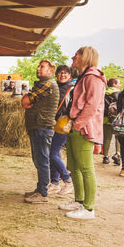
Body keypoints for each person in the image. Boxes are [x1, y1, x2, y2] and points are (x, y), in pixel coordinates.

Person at [59, 46, 106, 220]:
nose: (73, 57)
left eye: (76, 55)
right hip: (75, 126)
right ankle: (79, 200)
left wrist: (78, 125)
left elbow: (92, 105)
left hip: (84, 128)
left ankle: (88, 208)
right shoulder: (82, 77)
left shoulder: (94, 77)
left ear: (85, 57)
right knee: (74, 167)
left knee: (86, 168)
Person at [22, 60, 59, 204]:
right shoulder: (42, 84)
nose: (38, 69)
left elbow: (25, 101)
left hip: (42, 127)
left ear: (50, 71)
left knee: (42, 160)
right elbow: (27, 100)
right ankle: (40, 189)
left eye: (42, 67)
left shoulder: (48, 84)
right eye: (38, 66)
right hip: (37, 126)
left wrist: (28, 100)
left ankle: (43, 193)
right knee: (38, 159)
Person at [47, 65, 74, 195]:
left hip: (63, 124)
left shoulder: (71, 89)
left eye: (65, 73)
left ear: (70, 75)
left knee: (52, 154)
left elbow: (72, 107)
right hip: (52, 124)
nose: (62, 75)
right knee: (54, 154)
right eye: (60, 73)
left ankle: (67, 181)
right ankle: (55, 183)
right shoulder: (54, 86)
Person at [102, 78, 121, 165]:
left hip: (106, 119)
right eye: (119, 83)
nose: (120, 85)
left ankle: (105, 157)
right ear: (114, 84)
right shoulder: (119, 94)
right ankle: (117, 154)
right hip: (116, 119)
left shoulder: (103, 92)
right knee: (118, 138)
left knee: (107, 139)